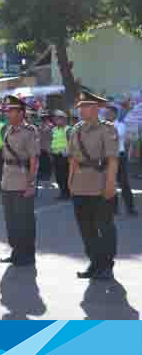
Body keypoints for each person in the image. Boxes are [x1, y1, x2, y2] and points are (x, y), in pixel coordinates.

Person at [68, 91, 119, 280]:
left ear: (96, 108)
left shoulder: (107, 129)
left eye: (86, 106)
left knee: (104, 226)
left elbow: (112, 160)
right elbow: (72, 158)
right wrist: (69, 182)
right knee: (85, 228)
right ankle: (94, 262)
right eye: (80, 107)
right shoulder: (75, 130)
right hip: (79, 185)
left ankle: (106, 263)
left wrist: (110, 185)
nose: (81, 110)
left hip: (100, 184)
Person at [0, 95, 39, 267]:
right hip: (7, 180)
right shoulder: (8, 130)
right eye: (7, 110)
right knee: (11, 220)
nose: (7, 114)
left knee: (25, 220)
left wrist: (31, 183)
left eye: (11, 110)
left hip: (22, 180)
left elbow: (33, 160)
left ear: (21, 112)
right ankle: (16, 251)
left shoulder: (30, 131)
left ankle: (27, 254)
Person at [106, 105, 138, 216]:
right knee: (111, 183)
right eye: (106, 113)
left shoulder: (120, 125)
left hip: (119, 156)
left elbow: (115, 136)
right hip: (108, 157)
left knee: (124, 183)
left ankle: (130, 208)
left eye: (109, 113)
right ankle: (114, 209)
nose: (106, 115)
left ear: (115, 114)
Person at [51, 110, 72, 200]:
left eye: (58, 119)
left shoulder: (68, 129)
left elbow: (71, 143)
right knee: (59, 176)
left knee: (65, 175)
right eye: (55, 119)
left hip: (65, 156)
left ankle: (67, 193)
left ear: (64, 120)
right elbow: (52, 140)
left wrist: (68, 153)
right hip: (56, 155)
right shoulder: (54, 129)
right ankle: (63, 192)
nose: (56, 121)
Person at [38, 112, 53, 181]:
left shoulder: (50, 125)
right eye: (42, 118)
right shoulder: (40, 125)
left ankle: (47, 176)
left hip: (47, 147)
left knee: (47, 163)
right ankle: (42, 175)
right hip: (41, 147)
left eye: (44, 118)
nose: (43, 119)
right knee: (41, 162)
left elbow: (45, 132)